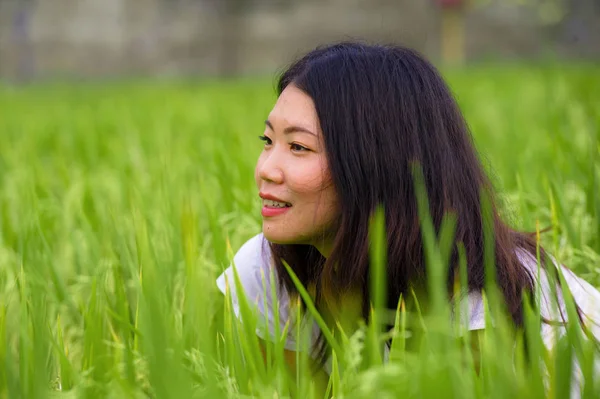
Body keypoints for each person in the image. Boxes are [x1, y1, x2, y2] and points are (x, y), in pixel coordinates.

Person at [215, 42, 600, 385]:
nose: (266, 168)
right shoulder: (268, 271)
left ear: (375, 163)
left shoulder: (477, 303)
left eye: (298, 147)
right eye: (268, 141)